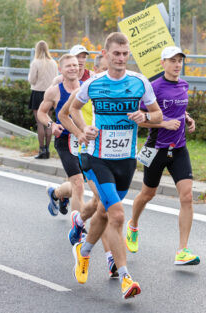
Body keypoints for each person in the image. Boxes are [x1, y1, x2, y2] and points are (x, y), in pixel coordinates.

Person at [69, 32, 162, 299]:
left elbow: (158, 114)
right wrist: (83, 128)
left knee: (103, 212)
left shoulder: (139, 83)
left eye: (125, 54)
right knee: (118, 215)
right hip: (97, 159)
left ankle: (83, 251)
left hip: (126, 161)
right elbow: (74, 109)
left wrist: (145, 114)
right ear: (106, 55)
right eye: (116, 54)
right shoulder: (94, 84)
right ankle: (125, 278)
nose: (121, 58)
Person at [125, 46, 199, 265]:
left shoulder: (184, 85)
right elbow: (137, 118)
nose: (177, 65)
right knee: (148, 194)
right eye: (172, 61)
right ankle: (133, 225)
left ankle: (182, 251)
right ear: (162, 63)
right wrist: (163, 122)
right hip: (156, 148)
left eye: (180, 61)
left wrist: (188, 118)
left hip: (179, 149)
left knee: (186, 196)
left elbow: (178, 108)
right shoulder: (153, 87)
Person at [58, 53, 118, 278]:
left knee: (98, 202)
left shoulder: (122, 89)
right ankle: (111, 258)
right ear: (96, 71)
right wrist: (80, 132)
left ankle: (79, 220)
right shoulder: (87, 89)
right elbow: (63, 114)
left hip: (114, 154)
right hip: (90, 154)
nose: (111, 74)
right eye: (105, 70)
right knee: (106, 204)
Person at [37, 54, 85, 219]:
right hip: (65, 140)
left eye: (75, 65)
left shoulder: (87, 88)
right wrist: (52, 125)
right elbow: (42, 113)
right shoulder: (54, 91)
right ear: (61, 69)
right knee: (78, 183)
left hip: (86, 141)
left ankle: (56, 194)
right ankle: (78, 229)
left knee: (76, 185)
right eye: (68, 66)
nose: (73, 68)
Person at [28, 40, 58, 159]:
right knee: (49, 123)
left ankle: (41, 150)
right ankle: (48, 151)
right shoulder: (53, 63)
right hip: (50, 94)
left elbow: (32, 80)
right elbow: (56, 80)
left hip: (37, 93)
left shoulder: (35, 63)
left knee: (40, 123)